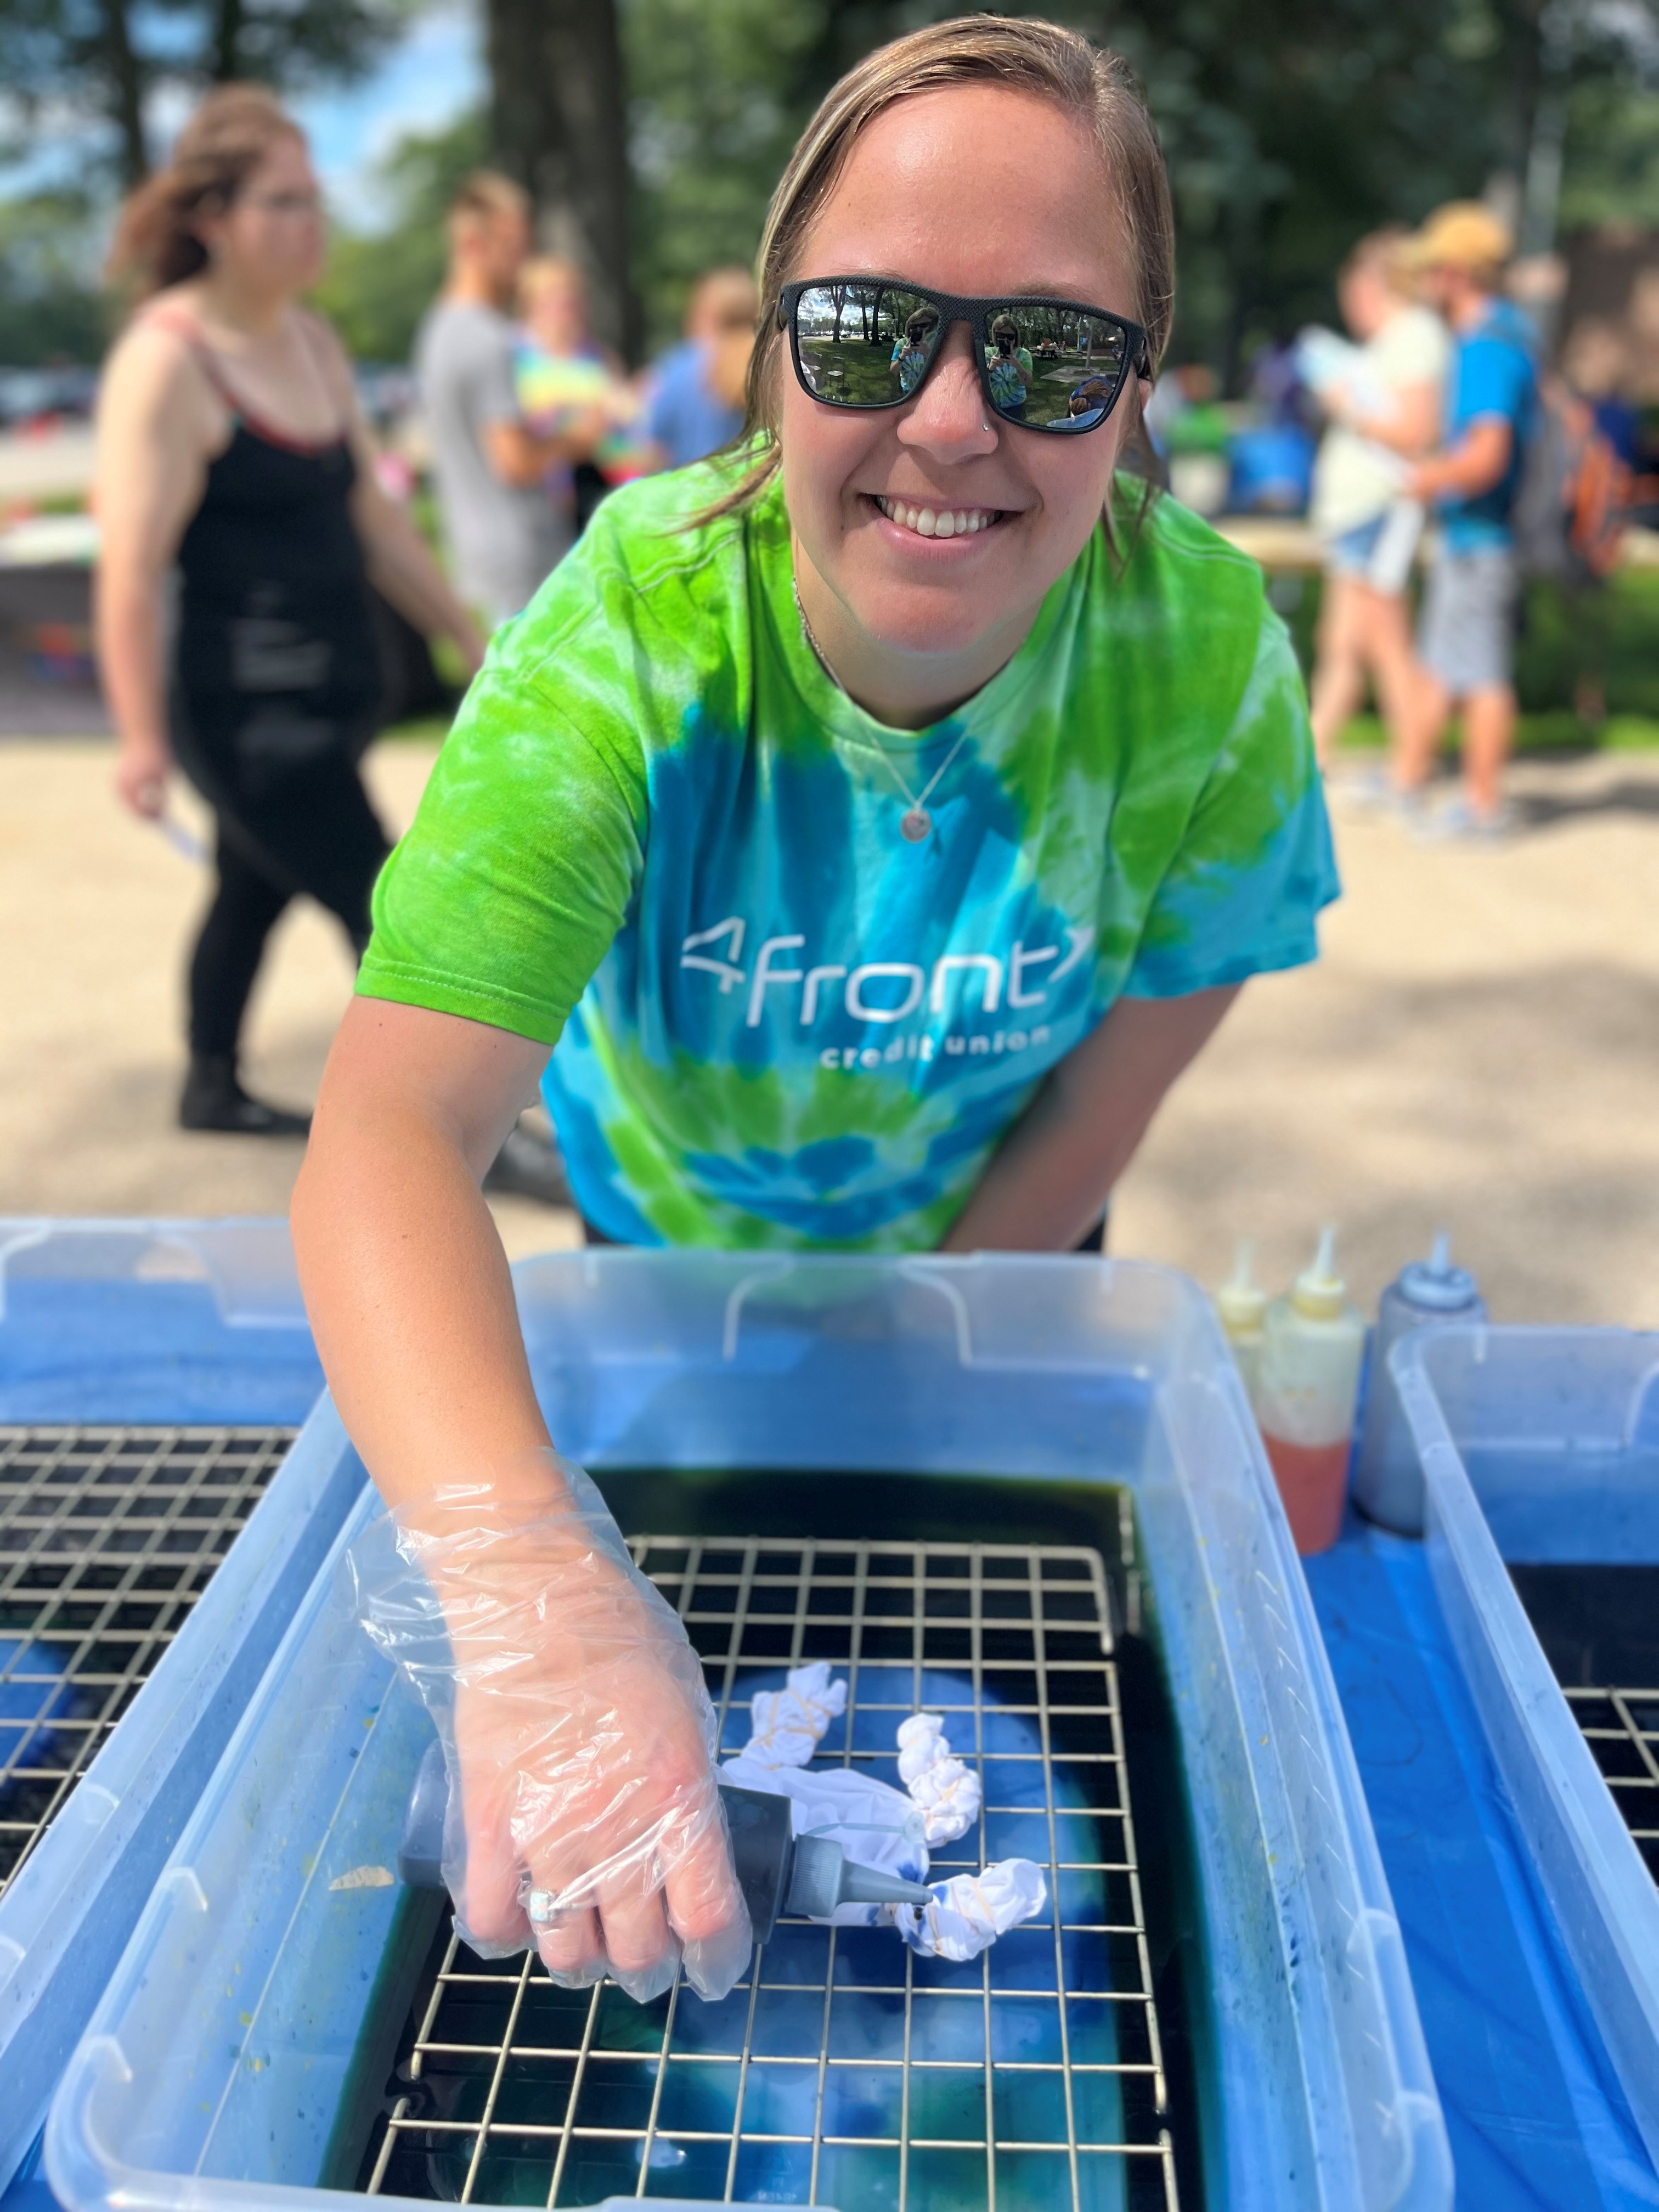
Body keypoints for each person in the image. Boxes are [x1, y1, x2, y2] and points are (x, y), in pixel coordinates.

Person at [292, 16, 1337, 2003]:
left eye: (1046, 352)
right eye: (864, 330)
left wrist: (955, 1313)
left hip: (1012, 1239)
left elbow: (1161, 1014)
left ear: (1135, 395)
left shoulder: (1197, 651)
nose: (948, 419)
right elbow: (386, 1135)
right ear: (764, 352)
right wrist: (526, 1589)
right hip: (659, 1254)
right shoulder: (622, 638)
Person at [96, 85, 484, 1136]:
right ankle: (449, 1130)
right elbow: (126, 568)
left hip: (332, 695)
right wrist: (137, 738)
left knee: (248, 890)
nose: (312, 225)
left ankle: (209, 1086)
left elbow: (373, 512)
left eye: (316, 199)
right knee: (389, 909)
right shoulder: (168, 360)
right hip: (245, 716)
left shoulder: (311, 342)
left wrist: (463, 628)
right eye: (283, 202)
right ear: (212, 219)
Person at [1392, 202, 1538, 836]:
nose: (1426, 283)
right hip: (1476, 538)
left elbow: (1486, 456)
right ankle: (1413, 779)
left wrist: (1430, 477)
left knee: (1480, 676)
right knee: (1448, 663)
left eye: (1432, 270)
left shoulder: (1485, 347)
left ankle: (1483, 807)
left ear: (1456, 274)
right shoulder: (1512, 334)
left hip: (1483, 538)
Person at [415, 176, 598, 630]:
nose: (524, 261)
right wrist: (575, 440)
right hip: (521, 561)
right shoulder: (488, 338)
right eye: (514, 245)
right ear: (475, 244)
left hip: (475, 555)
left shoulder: (437, 330)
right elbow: (514, 462)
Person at [1305, 230, 1447, 772]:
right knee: (1343, 644)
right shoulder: (1396, 340)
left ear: (1373, 285)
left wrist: (1347, 408)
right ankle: (1313, 758)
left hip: (1380, 509)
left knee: (1384, 643)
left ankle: (1411, 765)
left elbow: (1415, 431)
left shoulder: (1414, 335)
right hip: (1360, 514)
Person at [640, 266, 760, 472]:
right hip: (751, 495)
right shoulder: (763, 367)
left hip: (689, 498)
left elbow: (650, 447)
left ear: (703, 312)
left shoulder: (678, 367)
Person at [985, 312, 1033, 413]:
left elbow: (1027, 382)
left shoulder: (1024, 354)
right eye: (1001, 335)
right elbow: (981, 384)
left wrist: (1018, 366)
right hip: (992, 406)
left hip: (1016, 406)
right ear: (994, 334)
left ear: (1015, 337)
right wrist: (991, 368)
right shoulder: (987, 353)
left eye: (1010, 337)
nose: (1006, 340)